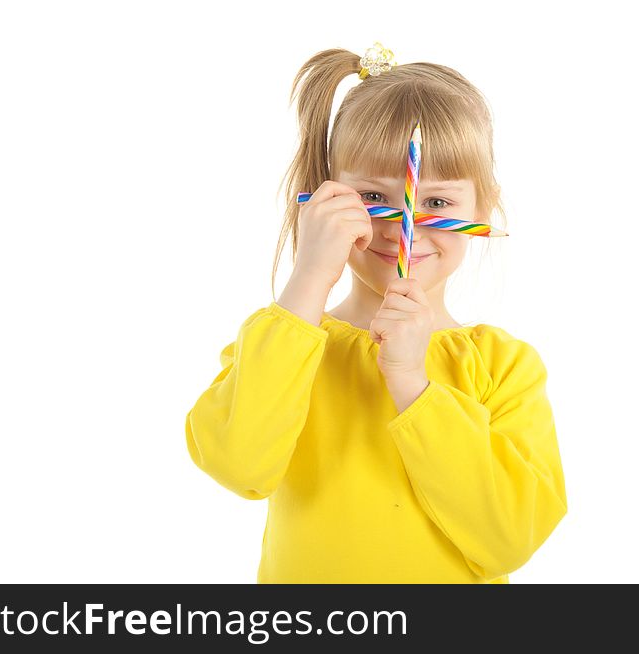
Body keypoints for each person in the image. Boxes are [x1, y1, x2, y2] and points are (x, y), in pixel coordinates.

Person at [185, 43, 567, 583]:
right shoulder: (285, 343)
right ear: (324, 196)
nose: (403, 225)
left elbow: (509, 537)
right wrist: (310, 277)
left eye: (436, 203)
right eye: (371, 195)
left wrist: (413, 383)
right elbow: (238, 465)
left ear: (483, 210)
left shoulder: (504, 366)